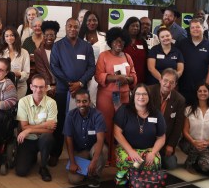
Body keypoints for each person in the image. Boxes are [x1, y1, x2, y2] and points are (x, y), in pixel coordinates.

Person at [50, 17, 95, 163]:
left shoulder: (86, 46)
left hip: (82, 92)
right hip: (64, 90)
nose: (72, 29)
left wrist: (80, 82)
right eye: (70, 26)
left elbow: (91, 67)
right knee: (61, 121)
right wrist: (70, 83)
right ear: (66, 27)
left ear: (79, 28)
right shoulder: (58, 46)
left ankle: (80, 153)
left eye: (75, 27)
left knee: (81, 121)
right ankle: (55, 153)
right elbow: (54, 67)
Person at [94, 26, 136, 161]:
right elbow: (98, 76)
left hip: (123, 96)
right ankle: (105, 156)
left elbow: (134, 76)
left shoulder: (128, 57)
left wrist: (127, 79)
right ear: (110, 41)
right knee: (105, 125)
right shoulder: (103, 56)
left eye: (122, 41)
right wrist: (115, 78)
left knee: (121, 126)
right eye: (116, 41)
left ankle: (117, 157)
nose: (119, 44)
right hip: (106, 96)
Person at [113, 83, 166, 186]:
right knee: (127, 160)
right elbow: (116, 133)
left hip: (148, 150)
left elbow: (161, 137)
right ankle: (132, 175)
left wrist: (153, 152)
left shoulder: (156, 113)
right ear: (133, 96)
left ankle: (131, 175)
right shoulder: (124, 110)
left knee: (154, 161)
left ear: (149, 96)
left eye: (144, 94)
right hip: (127, 150)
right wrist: (131, 151)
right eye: (138, 94)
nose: (141, 97)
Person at [15, 75, 58, 181]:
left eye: (41, 87)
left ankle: (43, 167)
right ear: (31, 87)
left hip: (43, 139)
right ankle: (32, 157)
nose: (38, 90)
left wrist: (30, 129)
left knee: (47, 137)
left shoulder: (51, 103)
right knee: (21, 172)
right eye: (36, 86)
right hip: (28, 139)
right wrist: (44, 125)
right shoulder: (23, 102)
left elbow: (51, 129)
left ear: (46, 88)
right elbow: (23, 127)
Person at [63, 88, 107, 187]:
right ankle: (88, 170)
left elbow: (100, 140)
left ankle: (95, 176)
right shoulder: (70, 115)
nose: (81, 104)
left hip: (94, 149)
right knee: (74, 180)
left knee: (103, 150)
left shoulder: (98, 115)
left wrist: (94, 161)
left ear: (89, 101)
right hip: (80, 151)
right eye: (78, 101)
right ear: (75, 102)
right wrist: (73, 162)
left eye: (84, 101)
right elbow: (68, 140)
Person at [149, 68, 186, 169]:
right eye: (165, 80)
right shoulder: (148, 92)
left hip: (165, 141)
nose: (168, 84)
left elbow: (178, 126)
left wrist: (171, 145)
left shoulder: (180, 100)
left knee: (171, 165)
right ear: (160, 80)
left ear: (175, 84)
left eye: (171, 82)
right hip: (147, 139)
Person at [180, 82, 209, 173]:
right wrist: (193, 141)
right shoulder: (188, 109)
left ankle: (197, 160)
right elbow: (185, 131)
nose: (202, 93)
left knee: (206, 167)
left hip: (206, 145)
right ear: (196, 93)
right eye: (200, 91)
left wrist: (208, 142)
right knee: (195, 148)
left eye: (205, 91)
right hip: (189, 143)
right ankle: (189, 163)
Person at [176, 20, 209, 106]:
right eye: (193, 27)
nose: (195, 29)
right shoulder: (182, 44)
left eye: (198, 27)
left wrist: (206, 86)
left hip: (201, 89)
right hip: (184, 87)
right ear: (189, 30)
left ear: (203, 28)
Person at [0, 26, 30, 98]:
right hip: (1, 86)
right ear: (4, 38)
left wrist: (18, 74)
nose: (9, 38)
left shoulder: (24, 52)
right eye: (6, 36)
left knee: (16, 107)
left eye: (12, 35)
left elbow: (27, 73)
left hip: (19, 86)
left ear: (16, 37)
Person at [33, 20, 58, 92]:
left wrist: (58, 85)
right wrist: (49, 87)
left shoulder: (60, 50)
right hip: (45, 85)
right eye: (46, 35)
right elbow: (42, 71)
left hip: (59, 84)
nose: (49, 38)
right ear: (43, 36)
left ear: (55, 36)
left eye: (51, 35)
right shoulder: (38, 52)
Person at [122, 16, 148, 85]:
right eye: (133, 26)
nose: (135, 28)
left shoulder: (142, 42)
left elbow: (147, 59)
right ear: (127, 27)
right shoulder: (122, 41)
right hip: (126, 76)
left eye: (137, 26)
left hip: (141, 76)